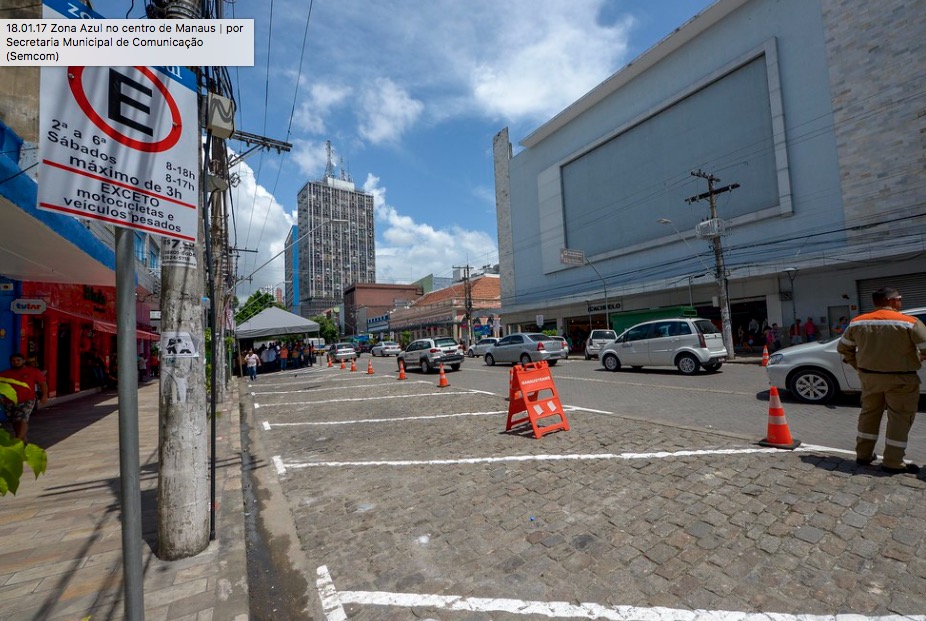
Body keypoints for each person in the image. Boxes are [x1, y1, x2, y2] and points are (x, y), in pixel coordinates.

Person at [837, 287, 926, 475]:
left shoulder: (857, 323)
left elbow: (844, 348)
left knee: (869, 414)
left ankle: (863, 455)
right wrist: (919, 358)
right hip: (901, 379)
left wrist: (859, 366)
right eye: (900, 298)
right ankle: (893, 462)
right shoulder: (910, 323)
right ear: (892, 301)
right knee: (900, 418)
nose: (901, 302)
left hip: (870, 378)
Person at [0, 352, 48, 443]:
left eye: (18, 360)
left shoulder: (33, 371)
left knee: (22, 419)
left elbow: (42, 383)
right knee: (15, 422)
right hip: (10, 402)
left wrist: (44, 395)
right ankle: (23, 441)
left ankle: (17, 441)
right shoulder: (5, 374)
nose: (16, 362)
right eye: (13, 361)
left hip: (27, 400)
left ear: (23, 361)